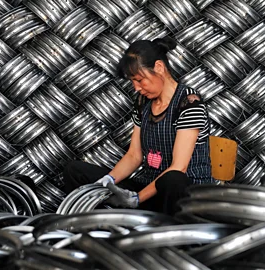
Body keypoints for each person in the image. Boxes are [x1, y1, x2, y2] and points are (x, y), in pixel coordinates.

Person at [62, 36, 215, 216]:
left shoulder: (189, 103)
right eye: (132, 82)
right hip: (149, 190)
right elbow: (134, 155)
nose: (136, 88)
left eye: (140, 80)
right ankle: (102, 230)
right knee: (75, 171)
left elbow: (178, 167)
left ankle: (167, 237)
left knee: (173, 179)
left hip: (183, 195)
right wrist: (107, 181)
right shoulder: (143, 102)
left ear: (159, 67)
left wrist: (136, 199)